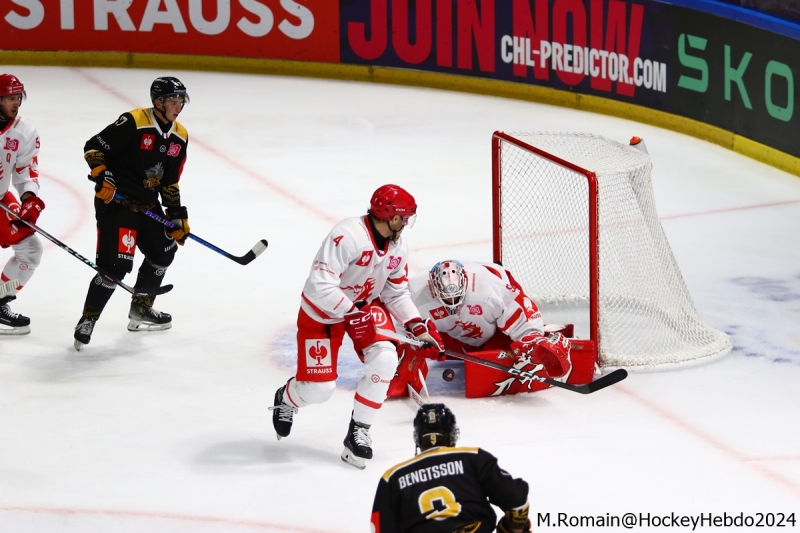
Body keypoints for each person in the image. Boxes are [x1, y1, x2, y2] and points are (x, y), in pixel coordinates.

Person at [269, 184, 445, 469]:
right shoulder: (347, 236)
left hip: (364, 305)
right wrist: (351, 313)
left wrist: (418, 326)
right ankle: (287, 397)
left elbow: (395, 292)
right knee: (320, 390)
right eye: (405, 218)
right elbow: (320, 285)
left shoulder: (398, 246)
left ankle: (358, 432)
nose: (407, 224)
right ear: (392, 217)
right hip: (322, 313)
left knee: (386, 359)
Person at [73, 76, 191, 350]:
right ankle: (88, 319)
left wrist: (176, 216)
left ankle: (141, 308)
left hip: (148, 206)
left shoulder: (180, 135)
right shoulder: (134, 121)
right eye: (172, 100)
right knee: (115, 267)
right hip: (118, 202)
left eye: (180, 100)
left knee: (164, 251)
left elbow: (169, 181)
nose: (178, 105)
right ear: (157, 101)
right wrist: (102, 175)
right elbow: (94, 146)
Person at [388, 259, 582, 399]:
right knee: (418, 346)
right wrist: (417, 341)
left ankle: (547, 339)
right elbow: (398, 325)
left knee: (520, 343)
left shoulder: (489, 288)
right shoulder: (415, 292)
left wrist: (531, 338)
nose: (453, 304)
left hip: (492, 322)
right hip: (455, 332)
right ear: (433, 288)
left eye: (457, 298)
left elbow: (519, 310)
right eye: (446, 299)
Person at [370, 403, 531, 533]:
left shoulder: (392, 477)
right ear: (452, 434)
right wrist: (514, 529)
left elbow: (379, 528)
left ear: (418, 438)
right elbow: (516, 499)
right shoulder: (473, 457)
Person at [0, 74, 44, 335]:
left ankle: (1, 300)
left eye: (18, 98)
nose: (15, 103)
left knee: (30, 250)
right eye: (9, 98)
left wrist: (29, 198)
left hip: (1, 197)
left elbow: (26, 170)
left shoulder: (24, 130)